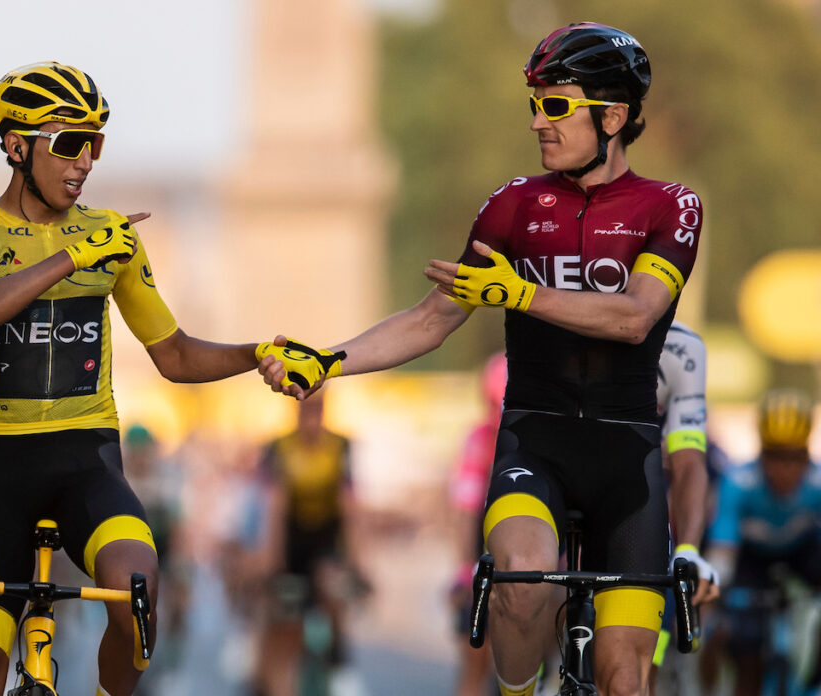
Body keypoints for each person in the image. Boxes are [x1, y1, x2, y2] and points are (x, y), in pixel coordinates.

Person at [259, 22, 708, 696]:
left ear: (613, 117)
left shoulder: (670, 206)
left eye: (555, 105)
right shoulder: (513, 205)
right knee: (522, 586)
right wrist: (327, 360)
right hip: (536, 443)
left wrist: (520, 293)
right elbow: (430, 319)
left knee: (626, 682)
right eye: (534, 104)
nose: (537, 121)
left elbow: (635, 315)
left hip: (628, 459)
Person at [0, 61, 323, 696]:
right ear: (16, 145)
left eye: (95, 144)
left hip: (86, 463)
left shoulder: (112, 239)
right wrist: (71, 258)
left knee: (138, 593)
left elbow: (176, 355)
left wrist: (258, 352)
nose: (85, 161)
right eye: (69, 143)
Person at [250, 390, 369, 696]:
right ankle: (266, 673)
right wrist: (273, 563)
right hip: (291, 538)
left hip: (326, 536)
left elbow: (349, 506)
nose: (312, 418)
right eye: (307, 410)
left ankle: (339, 661)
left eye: (318, 410)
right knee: (283, 615)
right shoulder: (279, 447)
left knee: (333, 588)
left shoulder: (340, 445)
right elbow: (275, 509)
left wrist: (358, 561)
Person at [705, 388, 821, 696]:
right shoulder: (738, 482)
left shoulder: (817, 483)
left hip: (802, 554)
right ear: (761, 453)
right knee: (746, 646)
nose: (785, 469)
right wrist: (714, 595)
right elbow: (722, 550)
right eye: (775, 456)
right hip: (750, 560)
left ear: (807, 454)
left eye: (795, 458)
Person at [649, 320, 721, 694]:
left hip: (643, 519)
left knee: (642, 665)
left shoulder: (682, 350)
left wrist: (689, 549)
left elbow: (692, 466)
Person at [448, 353, 507, 696]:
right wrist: (463, 570)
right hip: (482, 555)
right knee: (473, 661)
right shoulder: (478, 439)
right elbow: (466, 511)